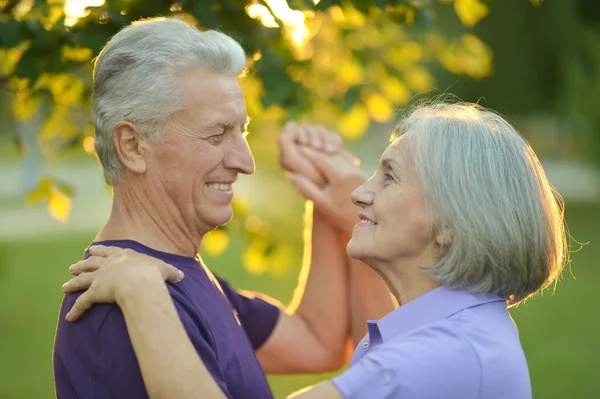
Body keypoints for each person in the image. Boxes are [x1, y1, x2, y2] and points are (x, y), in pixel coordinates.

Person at [63, 100, 568, 399]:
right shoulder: (461, 332)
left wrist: (142, 292)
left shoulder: (439, 358)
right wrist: (338, 215)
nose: (360, 192)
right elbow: (331, 344)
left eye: (389, 176)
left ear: (449, 223)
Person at [53, 17, 392, 399]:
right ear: (132, 146)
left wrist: (331, 202)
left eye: (241, 131)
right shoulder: (121, 308)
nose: (245, 162)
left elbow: (318, 342)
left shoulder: (171, 272)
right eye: (218, 134)